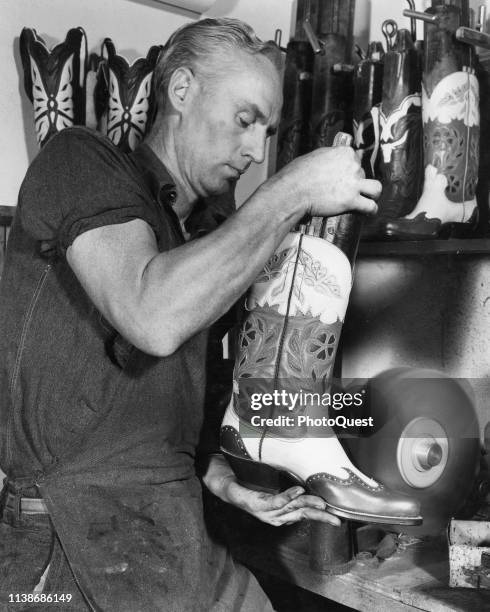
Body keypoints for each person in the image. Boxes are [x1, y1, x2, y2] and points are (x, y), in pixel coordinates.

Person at [0, 18, 380, 612]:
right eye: (246, 119)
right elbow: (152, 315)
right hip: (68, 543)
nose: (256, 150)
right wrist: (291, 192)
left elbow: (141, 403)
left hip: (162, 526)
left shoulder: (193, 233)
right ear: (181, 91)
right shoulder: (79, 161)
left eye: (268, 131)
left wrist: (221, 476)